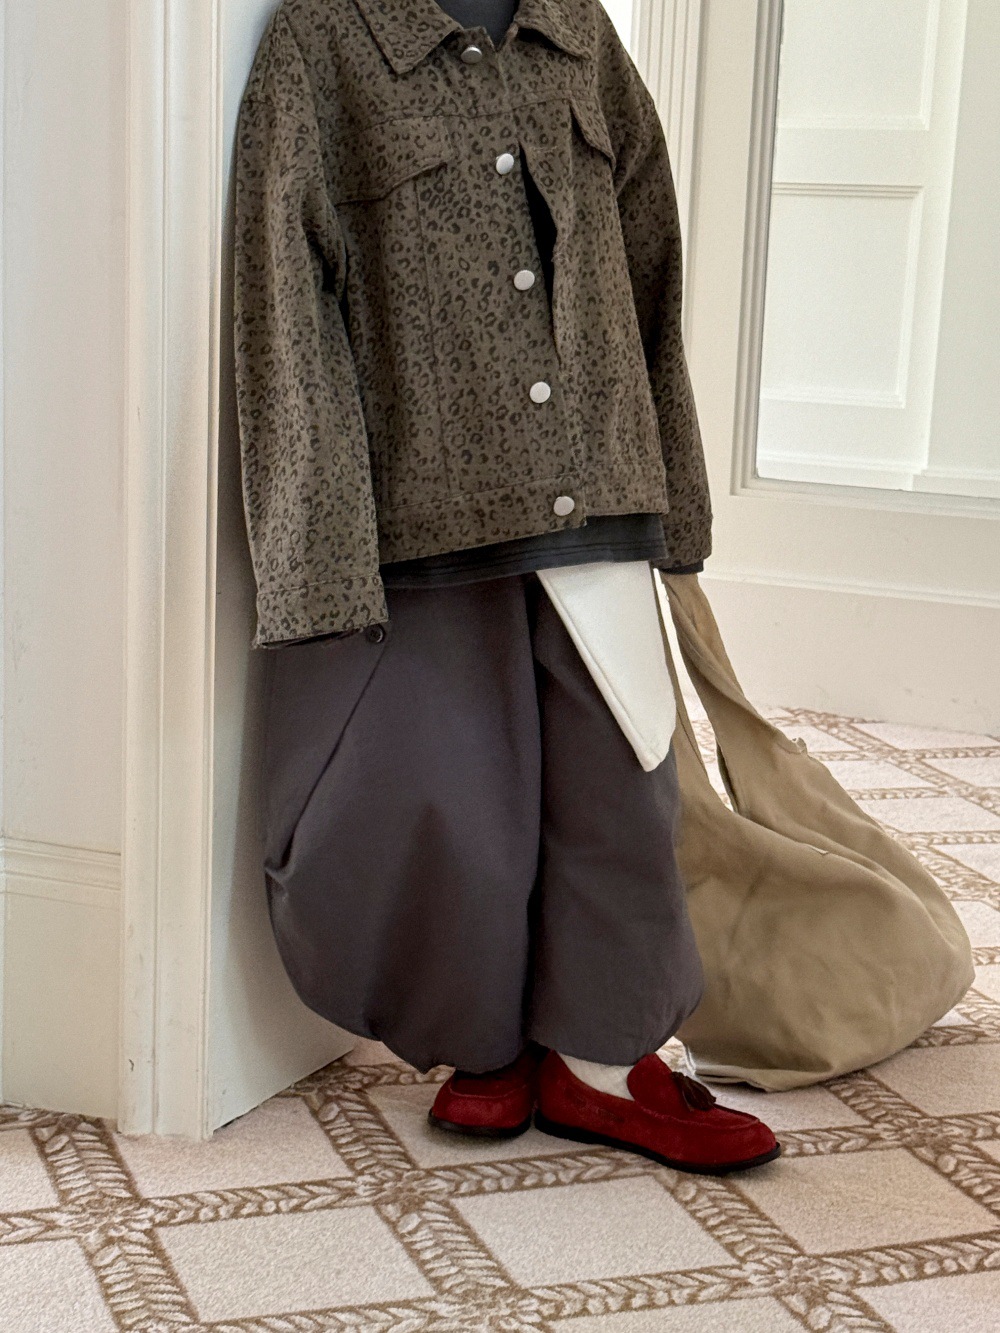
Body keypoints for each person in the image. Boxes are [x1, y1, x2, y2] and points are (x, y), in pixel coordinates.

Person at [233, 0, 780, 1175]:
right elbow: (285, 303)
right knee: (448, 797)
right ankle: (482, 1042)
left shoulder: (577, 29)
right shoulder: (323, 42)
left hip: (595, 478)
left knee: (616, 780)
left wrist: (672, 493)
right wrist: (317, 551)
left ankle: (601, 1063)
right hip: (428, 503)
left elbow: (649, 265)